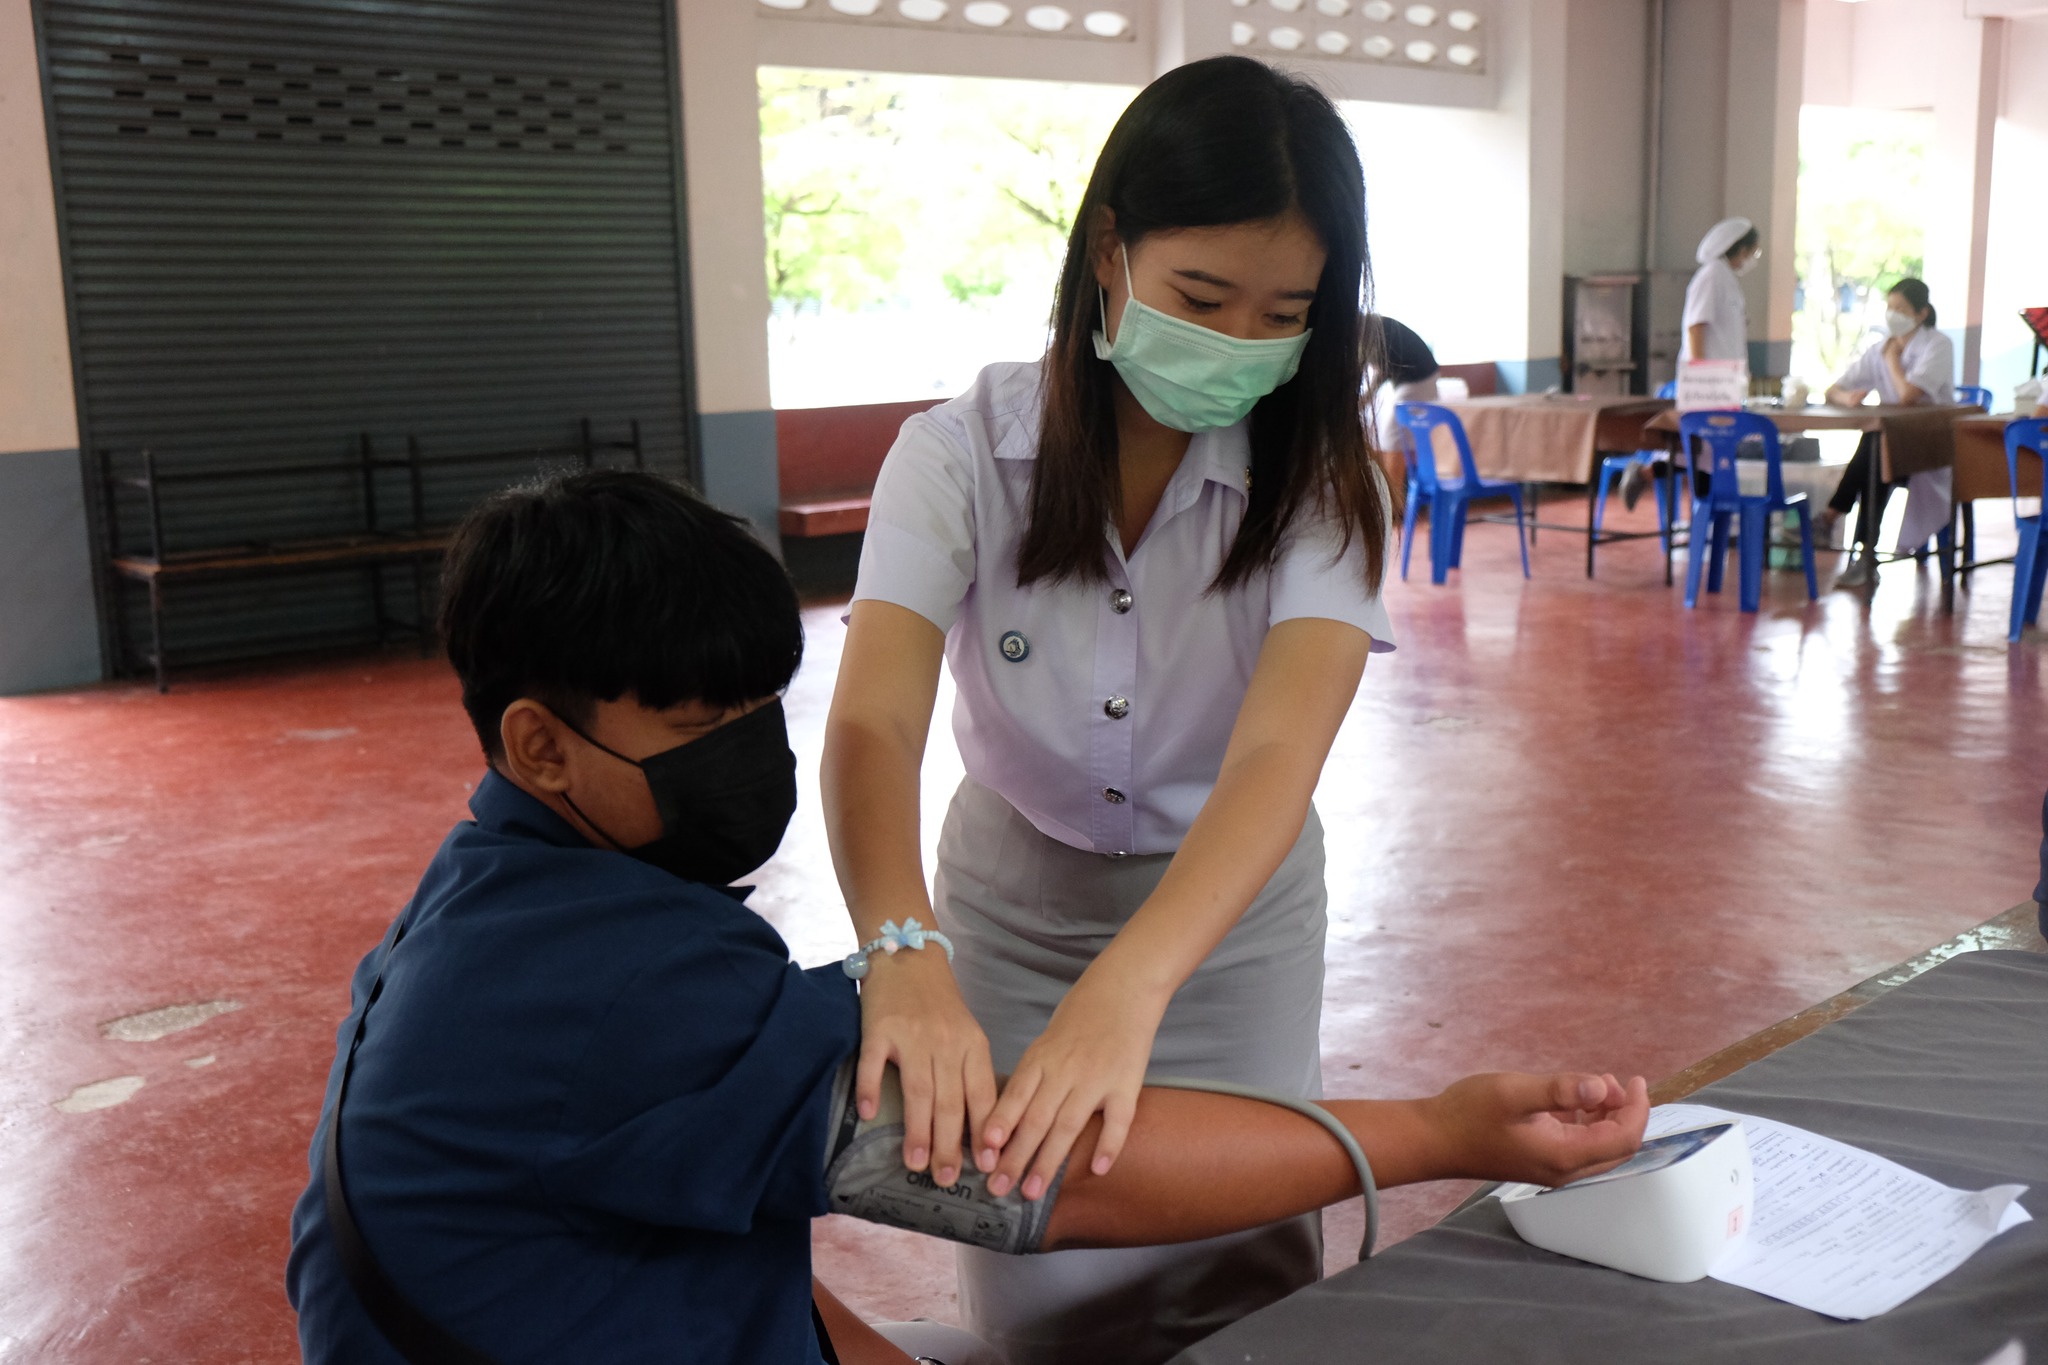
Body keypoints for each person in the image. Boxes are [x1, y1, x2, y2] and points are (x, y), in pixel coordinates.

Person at [284, 469, 1652, 1365]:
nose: (751, 753)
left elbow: (688, 1237)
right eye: (703, 726)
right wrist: (1440, 1132)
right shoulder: (618, 991)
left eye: (765, 710)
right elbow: (1047, 1176)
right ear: (540, 743)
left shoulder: (485, 903)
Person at [820, 55, 1400, 1362]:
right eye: (1202, 297)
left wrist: (1139, 981)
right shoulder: (960, 452)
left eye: (1282, 313)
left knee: (1244, 1258)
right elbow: (872, 723)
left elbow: (1276, 754)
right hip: (1014, 919)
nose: (1239, 345)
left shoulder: (1325, 483)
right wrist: (903, 954)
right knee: (1043, 1250)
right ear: (1108, 249)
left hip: (1230, 922)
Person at [1817, 278, 1956, 590]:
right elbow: (1833, 389)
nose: (1893, 315)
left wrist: (1892, 361)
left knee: (1877, 449)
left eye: (1901, 309)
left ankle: (1832, 519)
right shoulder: (1878, 349)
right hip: (1891, 444)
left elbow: (1909, 395)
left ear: (1921, 314)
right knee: (1877, 452)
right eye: (1890, 308)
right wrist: (1846, 397)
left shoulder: (1938, 345)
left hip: (1931, 447)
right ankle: (1863, 556)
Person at [1622, 217, 1763, 510]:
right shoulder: (1712, 275)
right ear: (1740, 248)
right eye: (1752, 252)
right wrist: (1701, 374)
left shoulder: (1726, 279)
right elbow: (1697, 326)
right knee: (1703, 450)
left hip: (1725, 380)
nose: (1752, 259)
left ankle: (1652, 478)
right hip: (1709, 381)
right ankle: (1708, 515)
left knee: (1708, 454)